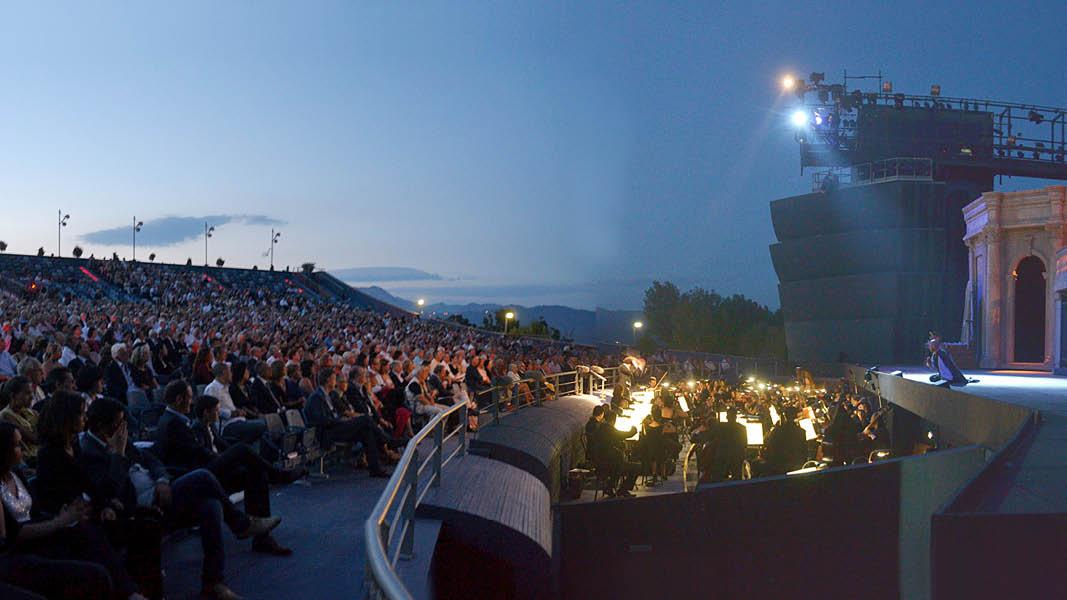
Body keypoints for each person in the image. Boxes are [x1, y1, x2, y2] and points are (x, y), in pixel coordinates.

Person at [155, 381, 296, 557]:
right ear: (179, 399)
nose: (191, 402)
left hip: (201, 468)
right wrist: (225, 459)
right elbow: (196, 452)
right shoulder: (172, 424)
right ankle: (278, 475)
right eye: (189, 397)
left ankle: (263, 539)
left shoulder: (174, 421)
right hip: (195, 476)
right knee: (241, 449)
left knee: (255, 473)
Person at [0, 423, 116, 600]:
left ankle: (128, 589)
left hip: (39, 534)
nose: (22, 448)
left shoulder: (16, 474)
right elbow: (11, 536)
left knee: (90, 532)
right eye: (17, 445)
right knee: (93, 572)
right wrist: (59, 522)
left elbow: (36, 513)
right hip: (19, 548)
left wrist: (63, 516)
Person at [305, 370, 390, 477]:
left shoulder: (329, 395)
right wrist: (340, 420)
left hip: (336, 427)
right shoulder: (316, 397)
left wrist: (342, 420)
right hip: (327, 432)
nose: (336, 382)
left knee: (366, 431)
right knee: (365, 419)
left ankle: (375, 469)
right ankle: (386, 440)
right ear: (328, 381)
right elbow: (321, 420)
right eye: (334, 379)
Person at [204, 362, 267, 445]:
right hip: (227, 425)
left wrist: (238, 411)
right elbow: (212, 410)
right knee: (262, 425)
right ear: (224, 373)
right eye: (230, 372)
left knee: (266, 425)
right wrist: (232, 413)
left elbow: (229, 406)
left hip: (238, 420)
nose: (232, 374)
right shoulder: (212, 388)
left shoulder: (226, 388)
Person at [588, 410, 641, 498]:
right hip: (610, 464)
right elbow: (624, 435)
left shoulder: (600, 428)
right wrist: (634, 430)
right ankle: (622, 489)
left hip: (600, 462)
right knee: (636, 467)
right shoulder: (609, 429)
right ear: (613, 421)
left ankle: (612, 486)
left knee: (620, 458)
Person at [759, 406, 808, 475]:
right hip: (797, 467)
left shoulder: (777, 431)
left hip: (779, 467)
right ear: (796, 417)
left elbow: (770, 448)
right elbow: (804, 452)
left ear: (785, 416)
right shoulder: (802, 432)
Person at [0, 377, 39, 462]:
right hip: (28, 460)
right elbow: (36, 439)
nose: (32, 397)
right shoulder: (6, 415)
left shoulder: (30, 412)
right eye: (27, 393)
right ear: (13, 395)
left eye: (32, 393)